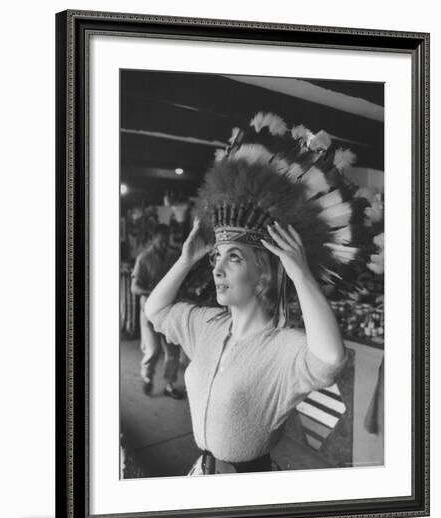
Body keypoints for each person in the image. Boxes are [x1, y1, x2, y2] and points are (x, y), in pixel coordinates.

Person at [145, 111, 358, 474]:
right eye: (216, 257)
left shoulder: (281, 347)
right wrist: (187, 259)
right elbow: (157, 311)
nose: (217, 268)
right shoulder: (208, 326)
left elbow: (329, 361)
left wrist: (300, 272)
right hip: (200, 475)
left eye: (234, 258)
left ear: (262, 275)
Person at [131, 224, 185, 399]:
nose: (164, 244)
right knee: (153, 350)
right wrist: (154, 293)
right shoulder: (143, 258)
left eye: (166, 241)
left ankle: (169, 385)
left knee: (173, 351)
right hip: (149, 312)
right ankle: (147, 377)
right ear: (153, 239)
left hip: (169, 312)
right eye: (160, 241)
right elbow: (135, 287)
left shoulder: (174, 256)